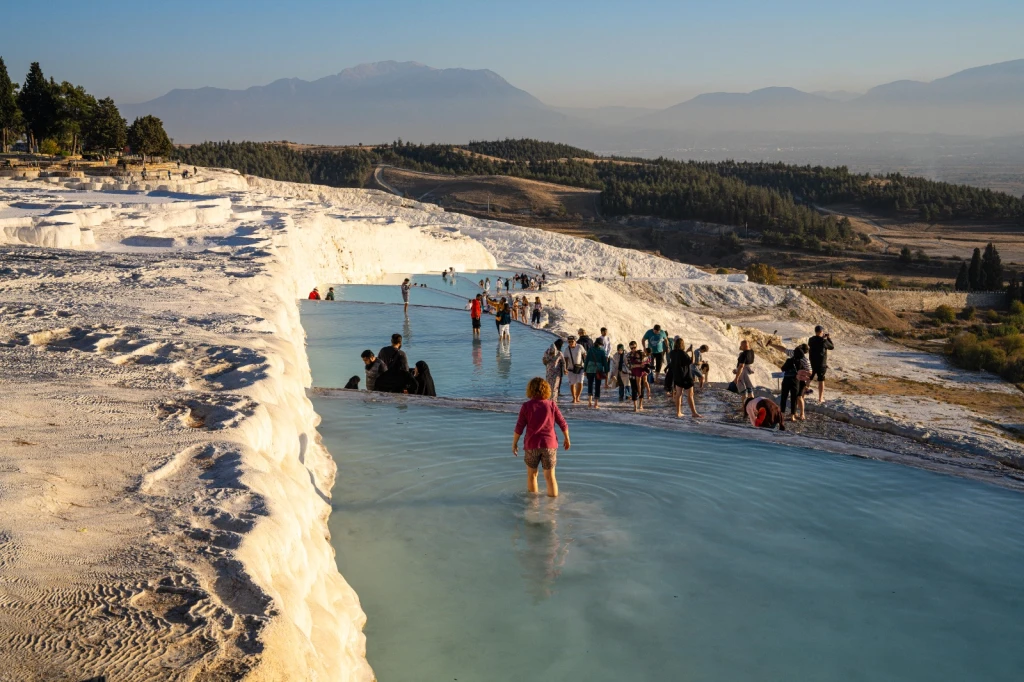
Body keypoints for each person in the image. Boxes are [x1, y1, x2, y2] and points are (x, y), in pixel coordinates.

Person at [513, 378, 570, 498]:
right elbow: (562, 423)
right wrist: (567, 438)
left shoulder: (526, 406)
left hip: (532, 445)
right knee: (550, 477)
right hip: (549, 445)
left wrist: (514, 443)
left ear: (530, 390)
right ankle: (553, 509)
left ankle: (533, 507)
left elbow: (519, 427)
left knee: (532, 475)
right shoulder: (551, 405)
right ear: (547, 390)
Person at [667, 338, 702, 418]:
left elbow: (680, 358)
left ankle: (678, 412)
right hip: (686, 376)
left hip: (677, 376)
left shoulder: (672, 353)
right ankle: (694, 413)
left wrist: (686, 351)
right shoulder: (682, 353)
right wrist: (692, 352)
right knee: (690, 395)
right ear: (682, 344)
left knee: (678, 394)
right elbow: (691, 361)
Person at [779, 346, 808, 421]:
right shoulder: (800, 363)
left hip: (786, 381)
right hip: (795, 382)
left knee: (784, 398)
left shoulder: (789, 360)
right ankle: (792, 416)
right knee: (794, 399)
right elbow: (803, 372)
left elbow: (782, 368)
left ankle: (782, 414)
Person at [808, 325, 835, 403]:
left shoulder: (811, 340)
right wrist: (828, 338)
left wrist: (822, 338)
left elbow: (815, 342)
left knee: (810, 378)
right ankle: (820, 398)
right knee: (821, 380)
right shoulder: (824, 341)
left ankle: (803, 393)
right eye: (822, 332)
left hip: (812, 362)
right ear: (820, 332)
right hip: (821, 364)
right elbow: (832, 347)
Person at [584, 338, 610, 408]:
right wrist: (607, 370)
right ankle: (596, 404)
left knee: (590, 385)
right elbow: (604, 361)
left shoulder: (590, 349)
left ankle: (589, 402)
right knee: (597, 386)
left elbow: (586, 360)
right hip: (598, 370)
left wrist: (585, 370)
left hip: (589, 369)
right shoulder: (602, 351)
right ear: (600, 344)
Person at [562, 335, 587, 404]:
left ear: (575, 341)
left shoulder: (579, 347)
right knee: (572, 384)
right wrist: (565, 369)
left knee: (580, 382)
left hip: (581, 367)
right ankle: (574, 398)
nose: (570, 343)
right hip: (571, 369)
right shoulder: (567, 349)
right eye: (569, 342)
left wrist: (586, 368)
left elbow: (584, 356)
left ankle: (578, 396)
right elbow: (566, 360)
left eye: (572, 341)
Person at [627, 341, 649, 412]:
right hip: (632, 375)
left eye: (634, 347)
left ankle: (641, 404)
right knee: (634, 390)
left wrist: (644, 365)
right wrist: (639, 365)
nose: (633, 349)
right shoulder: (628, 355)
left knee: (642, 388)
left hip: (641, 374)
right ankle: (635, 406)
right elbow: (629, 365)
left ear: (636, 346)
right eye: (632, 348)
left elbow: (647, 361)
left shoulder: (642, 353)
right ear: (630, 347)